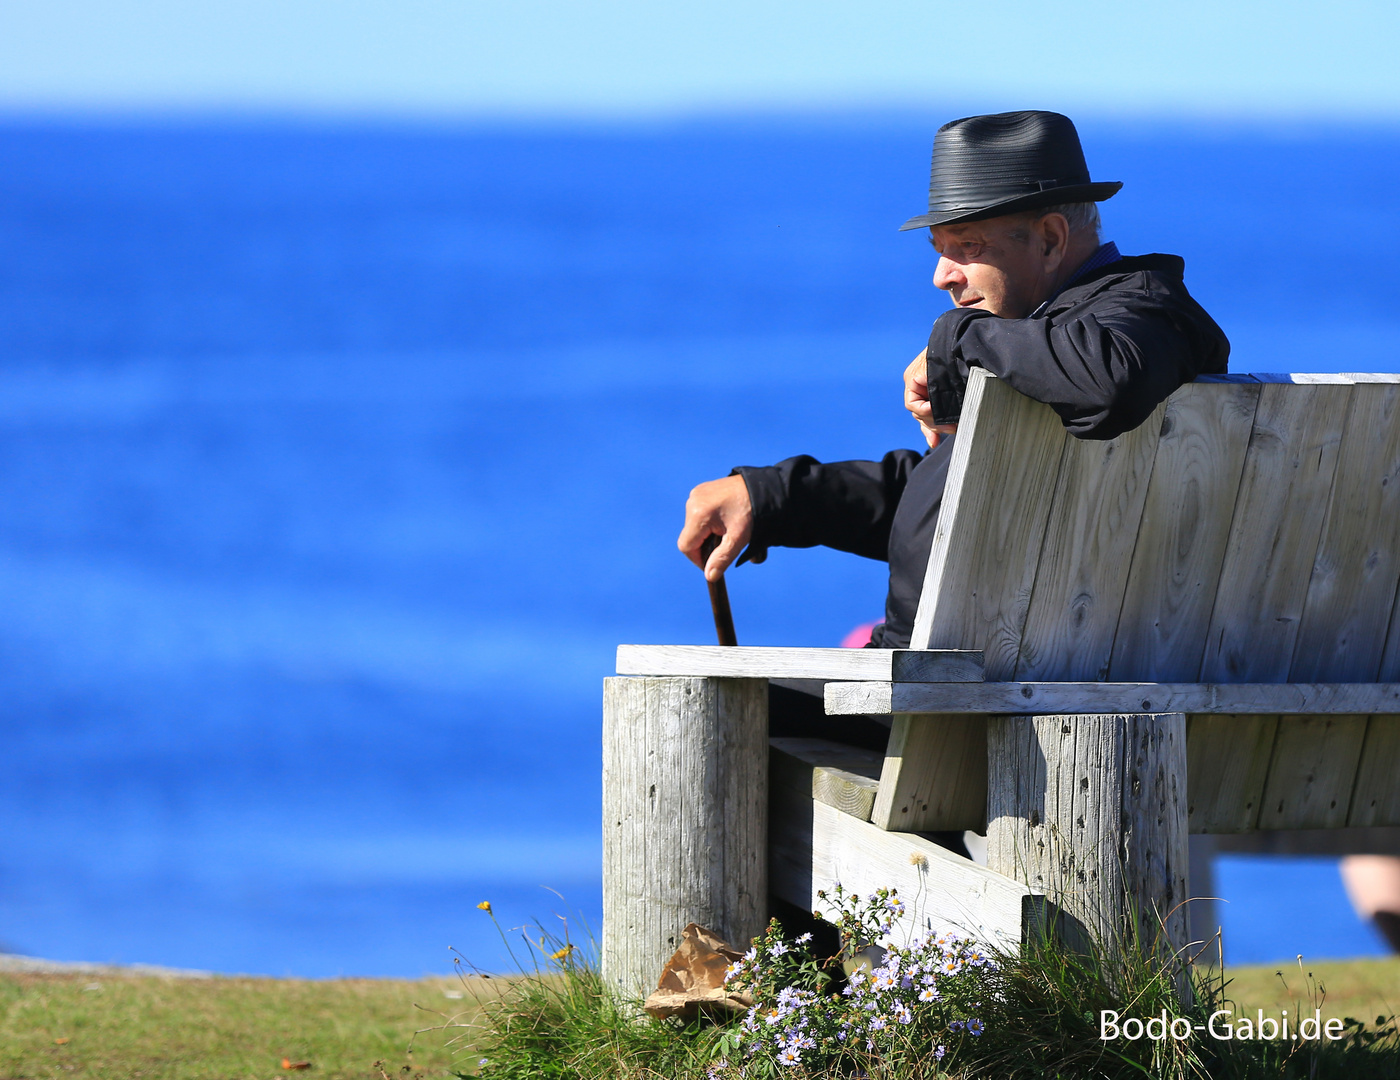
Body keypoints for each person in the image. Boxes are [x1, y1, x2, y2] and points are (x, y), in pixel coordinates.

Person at [676, 110, 1230, 648]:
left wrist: (954, 341)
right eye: (941, 251)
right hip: (985, 690)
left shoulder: (1143, 313)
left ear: (1052, 239)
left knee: (687, 707)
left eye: (968, 246)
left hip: (972, 698)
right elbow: (961, 503)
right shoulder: (1039, 339)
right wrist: (774, 496)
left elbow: (1112, 383)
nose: (943, 276)